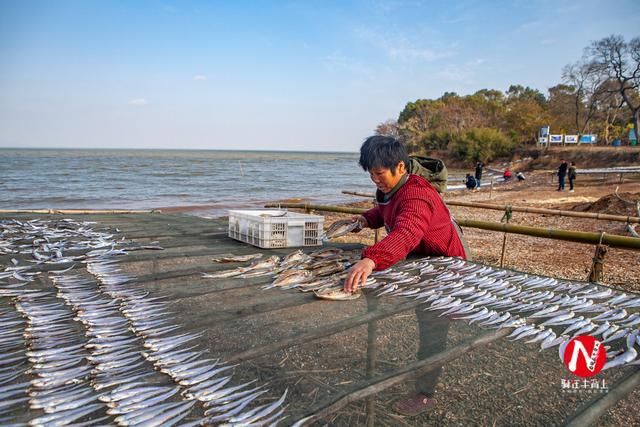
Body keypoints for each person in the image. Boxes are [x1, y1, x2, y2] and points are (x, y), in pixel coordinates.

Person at [344, 135, 469, 416]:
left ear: (400, 167)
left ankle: (425, 393)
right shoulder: (396, 189)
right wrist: (365, 219)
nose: (375, 179)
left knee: (433, 330)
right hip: (422, 264)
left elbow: (407, 232)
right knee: (426, 320)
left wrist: (371, 259)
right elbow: (386, 210)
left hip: (443, 267)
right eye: (371, 174)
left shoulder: (416, 194)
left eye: (379, 173)